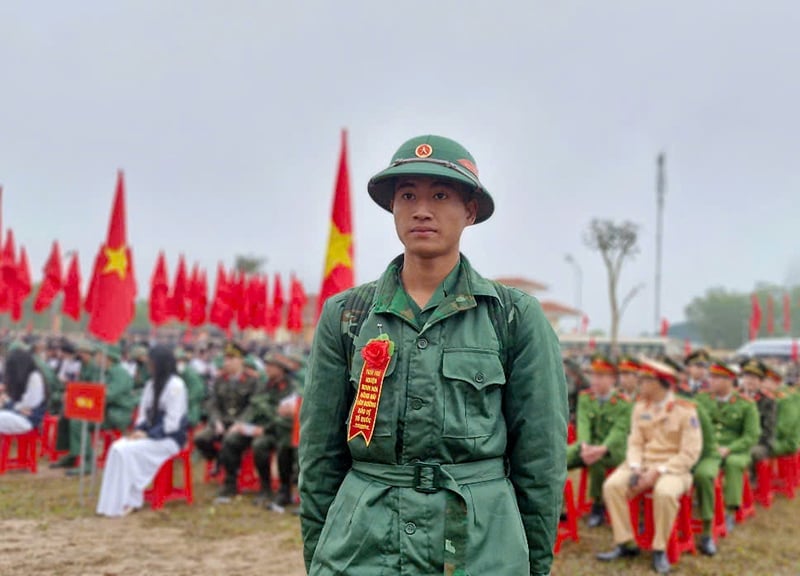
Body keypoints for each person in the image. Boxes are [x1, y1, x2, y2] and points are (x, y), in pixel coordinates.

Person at [299, 135, 567, 576]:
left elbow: (541, 459)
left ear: (470, 210)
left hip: (480, 546)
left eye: (441, 195)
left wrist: (533, 563)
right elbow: (319, 456)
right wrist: (321, 553)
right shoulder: (347, 316)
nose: (422, 210)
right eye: (408, 195)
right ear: (393, 209)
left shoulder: (513, 316)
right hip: (363, 543)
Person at [597, 358, 702, 574]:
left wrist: (658, 471)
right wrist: (635, 467)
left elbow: (690, 453)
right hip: (642, 463)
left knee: (664, 493)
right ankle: (625, 542)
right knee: (612, 486)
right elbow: (635, 442)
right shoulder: (640, 408)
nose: (640, 384)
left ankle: (659, 549)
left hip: (674, 468)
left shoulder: (685, 411)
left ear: (658, 383)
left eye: (645, 380)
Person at [96, 345, 188, 517]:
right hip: (150, 435)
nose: (148, 365)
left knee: (127, 451)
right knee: (117, 447)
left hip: (169, 439)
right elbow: (143, 415)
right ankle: (112, 502)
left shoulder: (177, 385)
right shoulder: (151, 384)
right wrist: (137, 431)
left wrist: (148, 435)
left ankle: (131, 500)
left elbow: (172, 423)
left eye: (151, 362)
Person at [566, 353, 632, 528]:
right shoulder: (586, 397)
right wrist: (585, 445)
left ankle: (598, 505)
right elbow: (583, 424)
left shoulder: (623, 403)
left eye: (601, 376)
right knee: (561, 458)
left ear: (612, 379)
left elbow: (619, 432)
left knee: (597, 461)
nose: (595, 380)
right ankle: (555, 503)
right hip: (587, 447)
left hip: (613, 451)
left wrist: (602, 448)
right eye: (594, 375)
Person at [695, 359, 760, 531]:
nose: (711, 381)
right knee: (703, 470)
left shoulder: (746, 404)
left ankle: (730, 510)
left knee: (733, 463)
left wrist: (730, 449)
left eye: (717, 378)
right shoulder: (702, 399)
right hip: (709, 447)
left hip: (735, 449)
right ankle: (704, 507)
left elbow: (751, 435)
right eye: (712, 376)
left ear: (729, 380)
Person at [193, 341, 260, 502]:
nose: (227, 362)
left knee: (230, 441)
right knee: (201, 438)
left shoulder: (253, 380)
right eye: (226, 358)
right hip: (222, 422)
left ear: (241, 360)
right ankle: (220, 460)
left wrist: (240, 424)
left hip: (243, 425)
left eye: (231, 359)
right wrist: (216, 421)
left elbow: (254, 405)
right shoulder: (220, 379)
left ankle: (230, 484)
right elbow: (212, 403)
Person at [0, 346, 48, 433]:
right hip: (21, 415)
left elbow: (28, 405)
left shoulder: (34, 377)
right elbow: (21, 406)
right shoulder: (26, 376)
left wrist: (8, 403)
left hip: (28, 420)